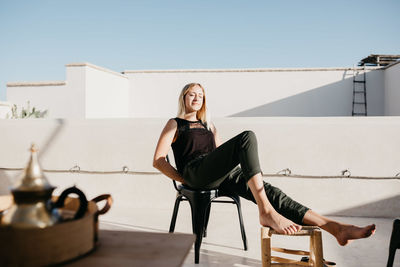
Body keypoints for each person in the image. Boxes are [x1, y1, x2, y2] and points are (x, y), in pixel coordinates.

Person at [153, 82, 375, 245]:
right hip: (195, 172)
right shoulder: (175, 123)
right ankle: (266, 211)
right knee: (247, 137)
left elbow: (221, 156)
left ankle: (336, 228)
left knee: (274, 193)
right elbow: (158, 160)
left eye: (200, 95)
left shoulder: (210, 126)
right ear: (183, 98)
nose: (196, 98)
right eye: (191, 94)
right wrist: (184, 179)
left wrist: (242, 177)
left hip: (217, 175)